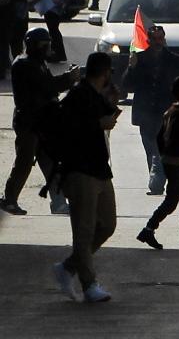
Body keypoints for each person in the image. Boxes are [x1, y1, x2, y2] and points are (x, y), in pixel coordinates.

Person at [53, 52, 121, 304]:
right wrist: (99, 123)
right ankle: (89, 284)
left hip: (100, 169)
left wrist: (111, 103)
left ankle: (68, 267)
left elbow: (107, 118)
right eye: (109, 72)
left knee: (107, 224)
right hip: (80, 170)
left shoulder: (96, 95)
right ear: (104, 72)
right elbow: (69, 128)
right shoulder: (78, 95)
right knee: (84, 230)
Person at [0, 28, 77, 216]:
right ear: (33, 45)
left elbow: (49, 85)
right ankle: (9, 199)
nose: (47, 48)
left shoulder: (38, 62)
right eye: (44, 45)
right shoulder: (24, 64)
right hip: (29, 123)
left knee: (50, 162)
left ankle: (58, 203)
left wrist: (68, 78)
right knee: (25, 162)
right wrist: (69, 78)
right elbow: (48, 86)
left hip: (43, 121)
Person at [137, 75, 179, 251]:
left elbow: (159, 137)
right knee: (171, 202)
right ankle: (148, 230)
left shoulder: (172, 110)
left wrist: (164, 156)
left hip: (177, 163)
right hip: (177, 164)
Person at [121, 25, 179, 196]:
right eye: (154, 39)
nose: (157, 42)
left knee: (161, 149)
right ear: (148, 40)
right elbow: (126, 85)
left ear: (164, 39)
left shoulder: (174, 60)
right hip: (145, 112)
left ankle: (157, 181)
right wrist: (131, 67)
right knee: (151, 149)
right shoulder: (139, 59)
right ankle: (156, 182)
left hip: (166, 112)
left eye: (160, 38)